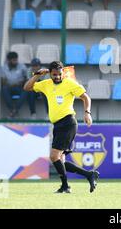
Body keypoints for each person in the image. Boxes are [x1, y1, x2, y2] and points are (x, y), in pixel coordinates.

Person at [23, 61, 99, 194]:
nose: (57, 77)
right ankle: (89, 175)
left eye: (59, 74)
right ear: (50, 74)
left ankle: (65, 186)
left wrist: (87, 113)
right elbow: (27, 87)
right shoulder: (46, 84)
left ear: (63, 72)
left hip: (68, 122)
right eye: (54, 74)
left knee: (53, 156)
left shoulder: (69, 83)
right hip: (58, 125)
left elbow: (86, 98)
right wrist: (37, 75)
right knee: (60, 161)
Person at [1, 52, 28, 119]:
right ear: (9, 60)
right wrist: (10, 84)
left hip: (19, 87)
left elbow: (26, 78)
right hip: (9, 87)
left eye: (16, 60)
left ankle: (14, 110)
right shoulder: (4, 68)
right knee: (4, 89)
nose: (16, 62)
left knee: (26, 90)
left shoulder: (22, 66)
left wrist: (22, 82)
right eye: (14, 60)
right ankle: (14, 110)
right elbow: (3, 81)